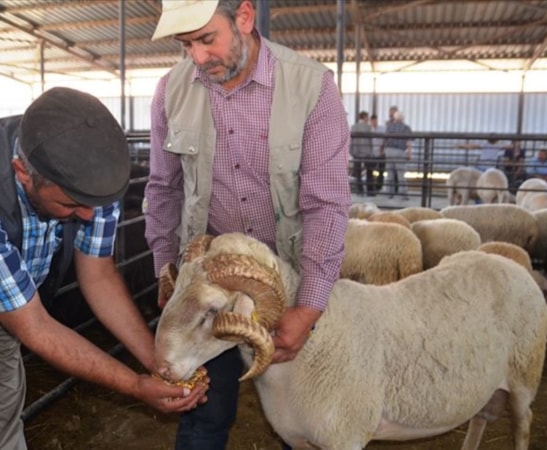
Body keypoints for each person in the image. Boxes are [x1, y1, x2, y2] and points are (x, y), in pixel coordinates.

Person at [0, 87, 207, 449]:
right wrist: (135, 385)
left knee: (4, 419)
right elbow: (35, 327)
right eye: (71, 205)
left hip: (7, 309)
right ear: (23, 173)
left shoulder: (91, 177)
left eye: (94, 204)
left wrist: (159, 364)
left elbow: (98, 275)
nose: (88, 215)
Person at [145, 1, 351, 448]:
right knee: (204, 414)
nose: (198, 58)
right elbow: (163, 189)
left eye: (206, 39)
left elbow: (327, 203)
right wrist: (166, 270)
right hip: (208, 292)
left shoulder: (311, 87)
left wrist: (308, 306)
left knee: (305, 417)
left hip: (286, 285)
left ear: (244, 16)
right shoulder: (171, 91)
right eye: (185, 45)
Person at [382, 110, 412, 199]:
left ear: (395, 118)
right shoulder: (406, 128)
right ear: (403, 118)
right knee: (400, 174)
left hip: (389, 151)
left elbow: (385, 139)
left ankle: (389, 193)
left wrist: (383, 150)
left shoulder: (389, 127)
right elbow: (409, 142)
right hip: (400, 151)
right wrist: (409, 153)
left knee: (390, 173)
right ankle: (403, 194)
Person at [350, 111, 374, 195]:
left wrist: (351, 151)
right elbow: (370, 140)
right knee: (369, 171)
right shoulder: (368, 127)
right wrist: (371, 151)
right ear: (364, 117)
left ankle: (360, 191)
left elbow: (351, 140)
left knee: (358, 172)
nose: (368, 119)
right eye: (367, 117)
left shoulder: (353, 127)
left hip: (356, 151)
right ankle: (370, 191)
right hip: (366, 152)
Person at [370, 114, 386, 193]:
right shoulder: (369, 129)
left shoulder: (382, 129)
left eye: (375, 120)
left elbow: (385, 139)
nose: (374, 122)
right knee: (371, 170)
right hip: (371, 153)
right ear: (370, 121)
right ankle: (372, 186)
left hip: (381, 152)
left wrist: (383, 149)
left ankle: (379, 186)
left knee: (381, 170)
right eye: (373, 121)